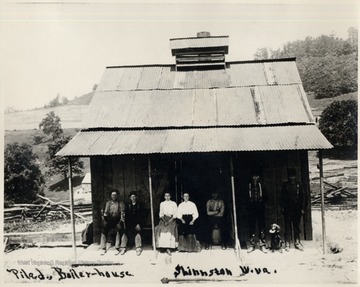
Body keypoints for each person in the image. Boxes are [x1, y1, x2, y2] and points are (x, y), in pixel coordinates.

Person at [280, 168, 305, 251]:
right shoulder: (285, 185)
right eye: (290, 176)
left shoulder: (299, 185)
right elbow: (282, 197)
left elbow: (303, 197)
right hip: (287, 209)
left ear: (295, 177)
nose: (292, 178)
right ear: (288, 177)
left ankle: (297, 242)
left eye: (293, 176)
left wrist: (302, 208)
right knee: (287, 227)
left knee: (296, 226)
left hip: (297, 209)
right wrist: (282, 207)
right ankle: (287, 242)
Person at [100, 189, 126, 255]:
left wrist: (120, 223)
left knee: (118, 230)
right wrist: (105, 221)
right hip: (110, 220)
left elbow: (123, 214)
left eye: (115, 195)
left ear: (117, 196)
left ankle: (117, 247)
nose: (114, 196)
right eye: (112, 195)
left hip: (118, 220)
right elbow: (105, 213)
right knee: (103, 230)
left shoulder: (120, 203)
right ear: (111, 196)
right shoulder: (108, 203)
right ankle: (103, 248)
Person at [247, 174, 267, 253]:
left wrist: (262, 203)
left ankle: (262, 245)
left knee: (261, 226)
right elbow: (245, 197)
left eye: (257, 176)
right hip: (251, 208)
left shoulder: (261, 185)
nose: (255, 178)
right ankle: (252, 245)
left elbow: (266, 196)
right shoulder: (249, 186)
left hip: (260, 207)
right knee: (251, 226)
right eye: (253, 176)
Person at [124, 191, 144, 256]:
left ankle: (138, 248)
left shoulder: (140, 205)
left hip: (138, 223)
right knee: (125, 231)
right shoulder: (128, 205)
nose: (133, 198)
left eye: (134, 196)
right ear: (130, 198)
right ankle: (124, 247)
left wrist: (139, 223)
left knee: (137, 232)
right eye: (132, 197)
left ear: (136, 197)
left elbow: (142, 215)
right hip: (130, 223)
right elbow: (126, 216)